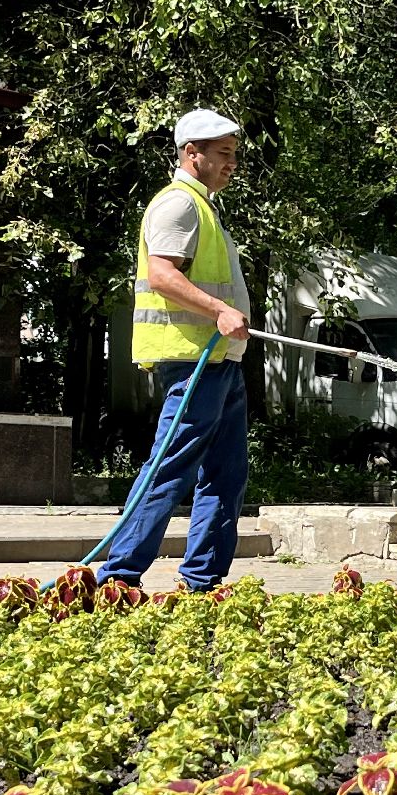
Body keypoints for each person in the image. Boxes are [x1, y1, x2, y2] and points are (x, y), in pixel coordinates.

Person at [95, 108, 252, 592]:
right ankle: (117, 577)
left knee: (226, 476)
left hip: (219, 361)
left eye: (233, 155)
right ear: (192, 153)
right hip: (193, 361)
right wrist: (219, 311)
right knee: (170, 468)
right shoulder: (177, 205)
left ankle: (203, 580)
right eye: (223, 154)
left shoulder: (203, 207)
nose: (232, 164)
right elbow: (163, 275)